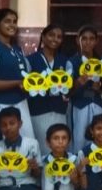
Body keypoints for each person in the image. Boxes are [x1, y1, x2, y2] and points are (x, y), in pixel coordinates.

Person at [0, 8, 33, 145]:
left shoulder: (16, 49)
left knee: (25, 146)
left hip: (20, 103)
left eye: (14, 21)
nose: (12, 25)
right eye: (7, 21)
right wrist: (17, 83)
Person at [26, 24, 70, 154]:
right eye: (51, 35)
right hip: (38, 111)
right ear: (43, 37)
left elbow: (69, 87)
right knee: (42, 148)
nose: (55, 39)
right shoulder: (30, 60)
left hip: (59, 111)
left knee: (59, 148)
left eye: (59, 37)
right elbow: (25, 86)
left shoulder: (65, 61)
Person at [69, 26, 102, 151]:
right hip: (79, 106)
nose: (88, 42)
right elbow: (67, 91)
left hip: (97, 105)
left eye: (91, 39)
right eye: (84, 39)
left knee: (99, 139)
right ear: (77, 40)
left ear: (96, 41)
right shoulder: (72, 62)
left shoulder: (101, 62)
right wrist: (78, 82)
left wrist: (99, 86)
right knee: (79, 140)